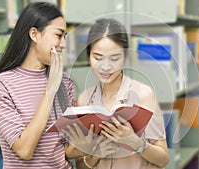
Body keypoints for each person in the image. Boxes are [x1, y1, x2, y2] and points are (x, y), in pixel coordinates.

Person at [0, 2, 85, 168]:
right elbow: (24, 150)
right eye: (59, 35)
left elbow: (64, 149)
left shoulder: (65, 82)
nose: (64, 44)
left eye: (65, 37)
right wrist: (49, 91)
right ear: (34, 34)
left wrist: (92, 143)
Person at [67, 18, 169, 169]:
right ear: (89, 56)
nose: (106, 66)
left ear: (125, 57)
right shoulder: (85, 100)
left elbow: (163, 160)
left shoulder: (144, 95)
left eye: (114, 58)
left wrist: (134, 142)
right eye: (98, 57)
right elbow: (82, 166)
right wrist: (95, 154)